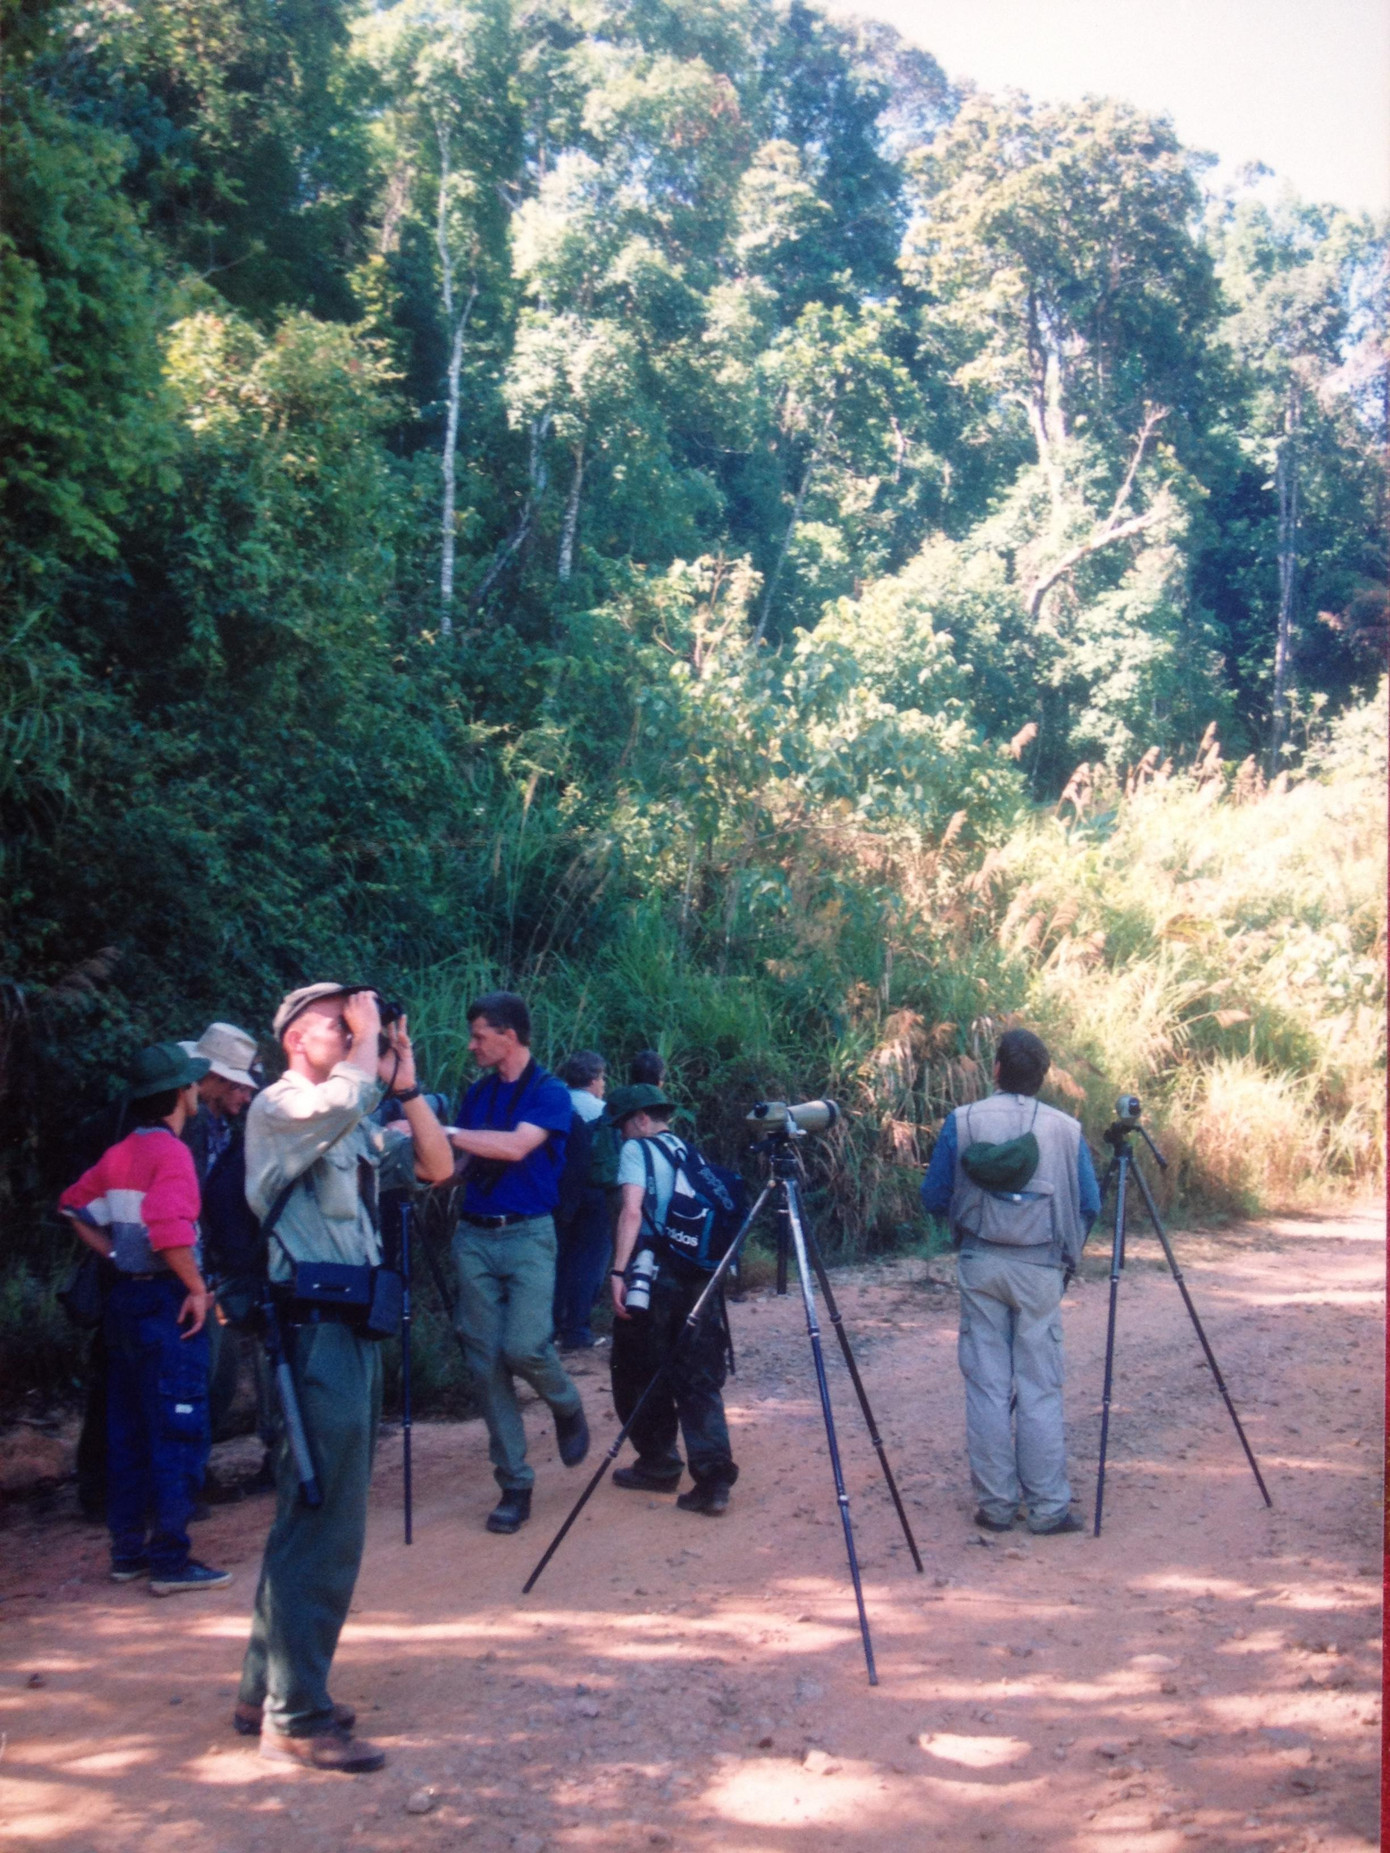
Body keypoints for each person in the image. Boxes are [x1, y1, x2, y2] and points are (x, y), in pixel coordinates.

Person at [236, 985, 453, 1773]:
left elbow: (436, 1164)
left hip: (348, 1331)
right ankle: (296, 1717)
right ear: (295, 1036)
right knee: (326, 1521)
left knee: (307, 1511)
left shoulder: (349, 1117)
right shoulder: (280, 1106)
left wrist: (408, 1081)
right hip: (310, 1334)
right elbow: (341, 1100)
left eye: (356, 1021)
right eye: (340, 1020)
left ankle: (265, 1687)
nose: (356, 1030)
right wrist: (369, 1053)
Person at [58, 1042, 232, 1595]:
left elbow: (73, 1206)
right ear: (180, 1093)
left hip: (124, 1305)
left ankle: (127, 1552)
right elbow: (168, 1228)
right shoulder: (172, 1154)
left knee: (128, 1428)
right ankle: (171, 1560)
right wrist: (197, 1288)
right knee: (178, 1430)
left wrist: (113, 1254)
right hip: (164, 1302)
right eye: (191, 1086)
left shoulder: (121, 1153)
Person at [919, 1027, 1100, 1537]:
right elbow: (1090, 1203)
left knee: (987, 1386)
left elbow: (934, 1196)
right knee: (1040, 1387)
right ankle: (1047, 1508)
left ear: (995, 1069)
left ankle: (996, 1506)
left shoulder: (963, 1120)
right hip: (1041, 1267)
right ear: (1043, 1078)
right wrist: (1067, 1251)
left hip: (980, 1262)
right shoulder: (1067, 1129)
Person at [447, 992, 590, 1535]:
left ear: (510, 1036)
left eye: (481, 1034)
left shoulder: (551, 1094)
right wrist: (413, 1160)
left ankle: (565, 1402)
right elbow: (462, 1164)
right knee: (484, 1365)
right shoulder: (477, 1096)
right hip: (475, 1237)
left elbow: (512, 1148)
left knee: (524, 1345)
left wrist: (445, 1133)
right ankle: (515, 1483)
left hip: (529, 1234)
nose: (472, 1044)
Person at [607, 1083, 739, 1516]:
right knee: (699, 1376)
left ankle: (658, 1462)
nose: (623, 1134)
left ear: (641, 1118)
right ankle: (714, 1479)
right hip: (701, 1276)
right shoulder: (687, 1151)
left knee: (636, 1369)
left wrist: (618, 1272)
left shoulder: (637, 1151)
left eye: (624, 1125)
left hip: (656, 1276)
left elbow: (632, 1211)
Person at [552, 1050, 614, 1351]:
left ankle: (548, 1328)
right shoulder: (603, 1112)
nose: (603, 1084)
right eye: (601, 1078)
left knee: (557, 1260)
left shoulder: (555, 1102)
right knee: (588, 1261)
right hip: (593, 1192)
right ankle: (576, 1331)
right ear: (593, 1079)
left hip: (555, 1193)